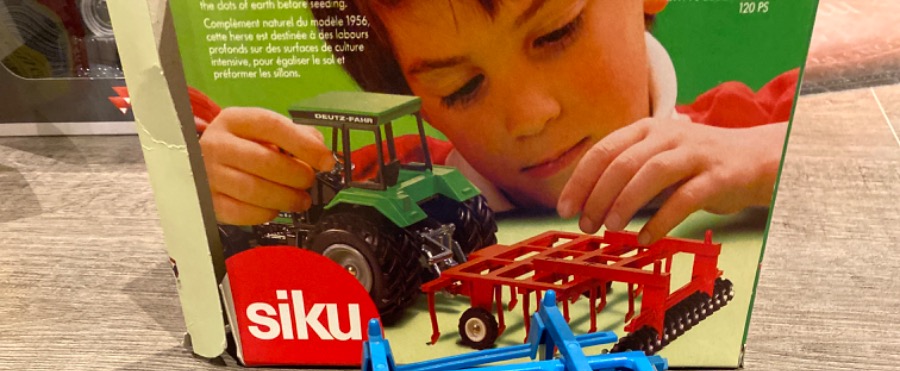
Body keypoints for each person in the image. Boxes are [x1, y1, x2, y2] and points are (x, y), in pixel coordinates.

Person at [196, 0, 798, 245]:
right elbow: (184, 125)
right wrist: (216, 175)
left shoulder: (756, 131)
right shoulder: (387, 181)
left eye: (556, 33)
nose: (531, 117)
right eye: (461, 88)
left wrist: (774, 158)